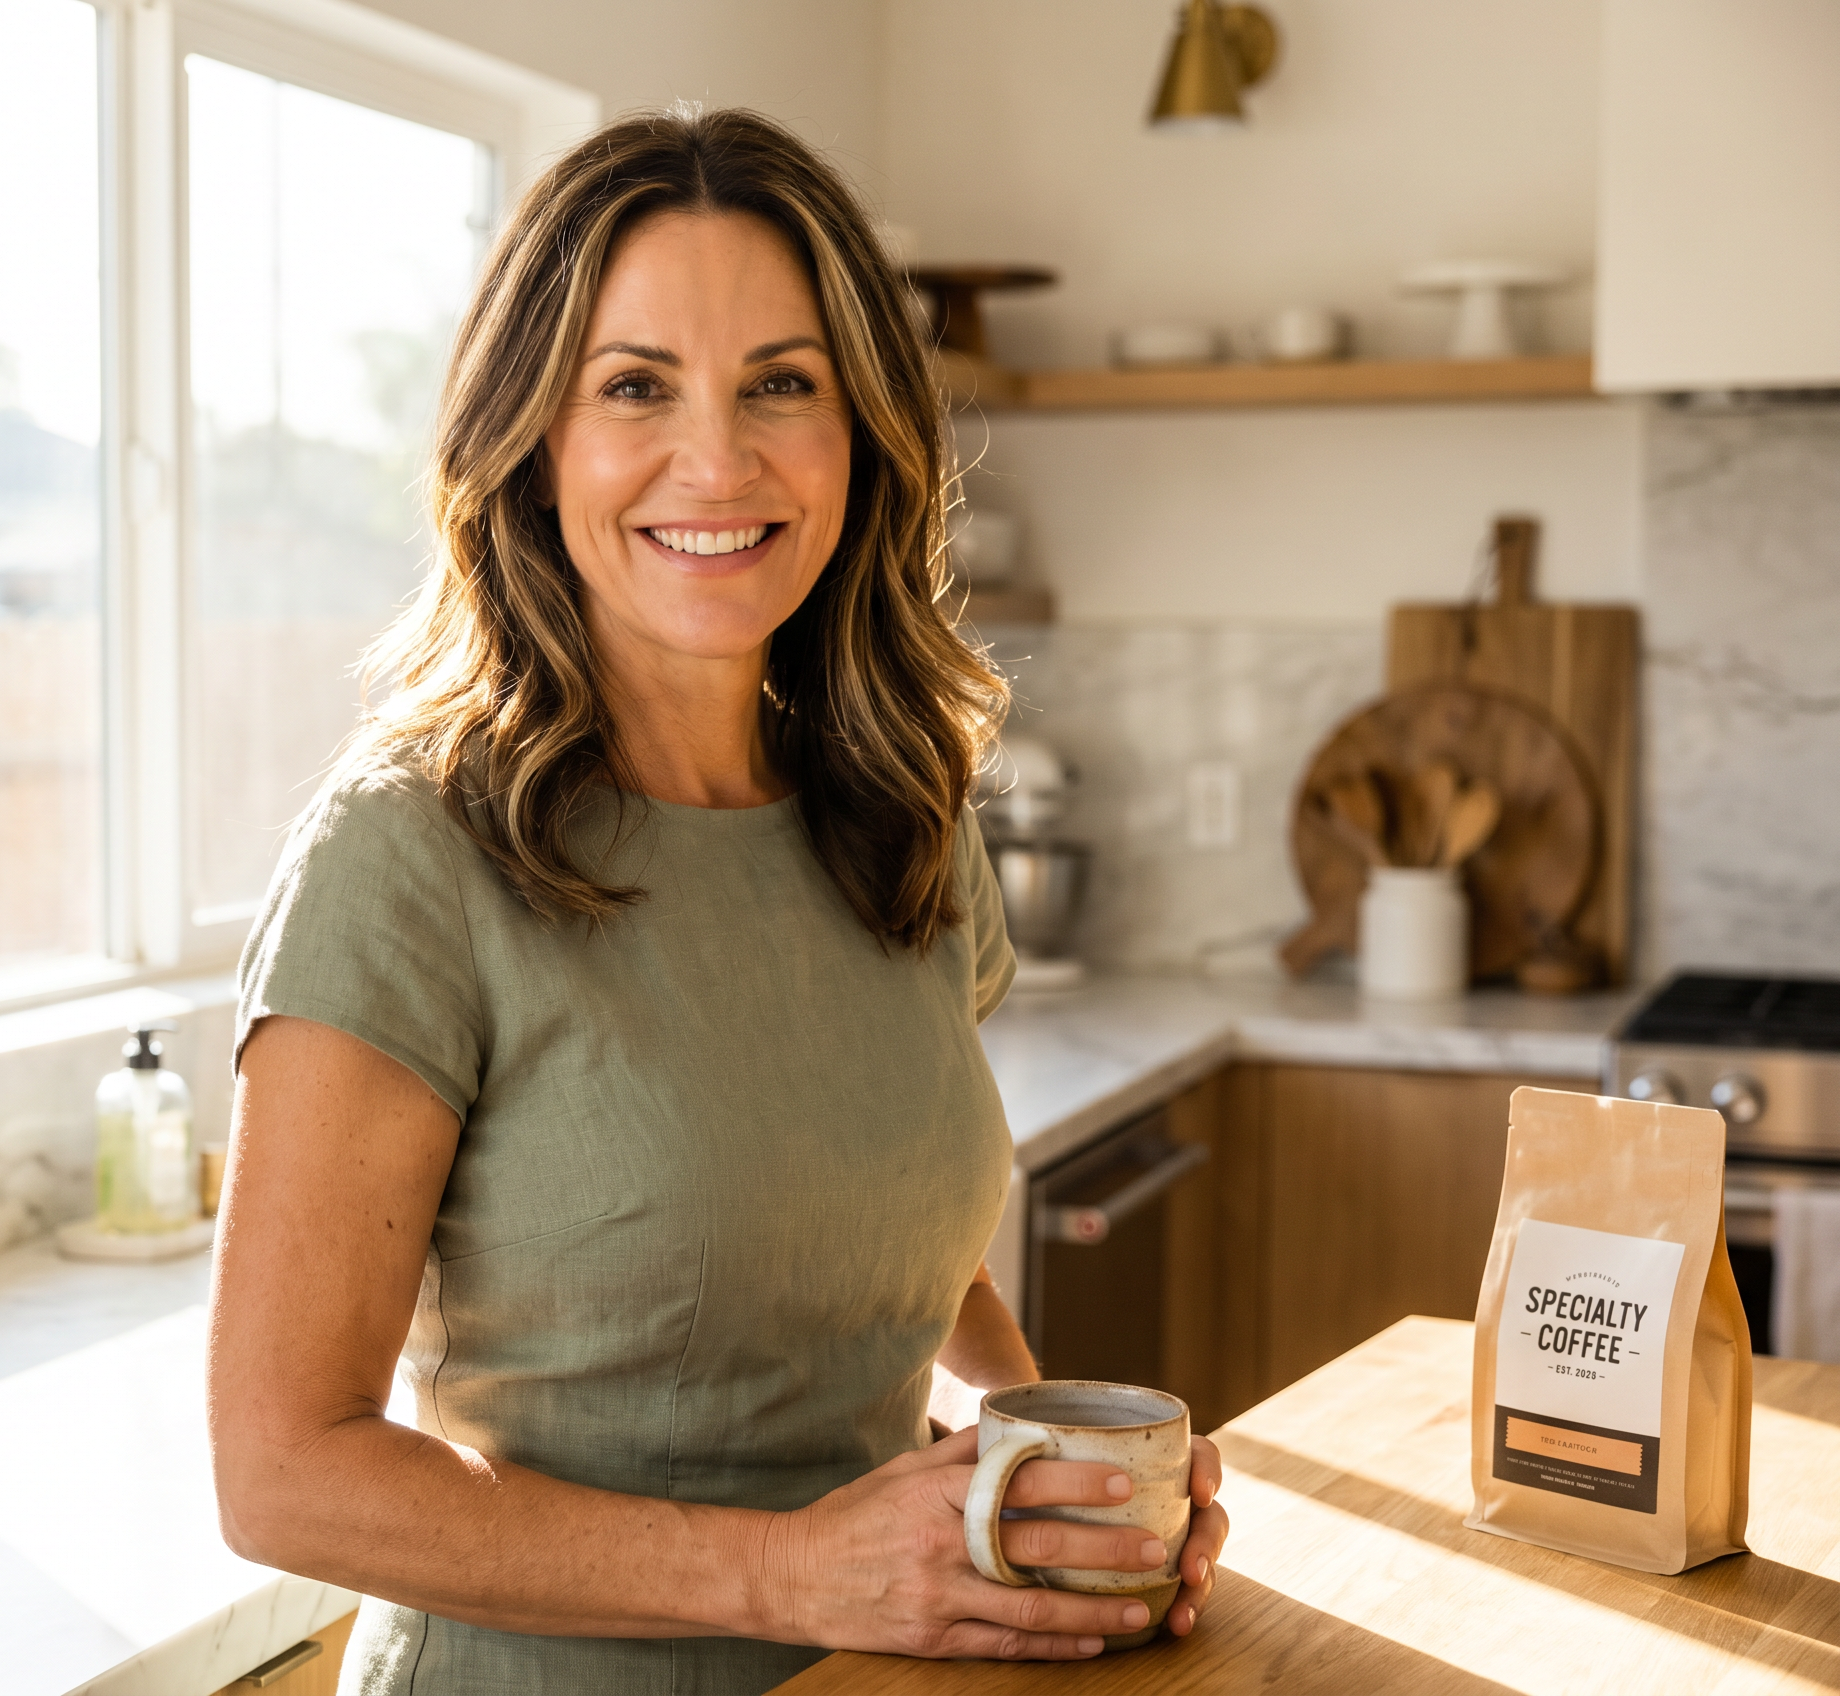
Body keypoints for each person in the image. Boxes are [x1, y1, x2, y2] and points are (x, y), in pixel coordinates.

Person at [208, 106, 1228, 1695]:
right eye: (635, 387)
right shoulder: (409, 854)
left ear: (857, 434)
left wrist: (1052, 1477)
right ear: (534, 445)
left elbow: (866, 1214)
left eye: (781, 384)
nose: (720, 459)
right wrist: (788, 1568)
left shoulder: (905, 817)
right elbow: (280, 1472)